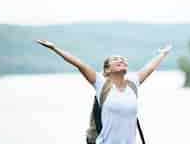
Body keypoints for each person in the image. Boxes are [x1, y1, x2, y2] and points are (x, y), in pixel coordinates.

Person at [36, 39, 172, 144]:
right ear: (107, 70)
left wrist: (163, 53)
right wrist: (55, 48)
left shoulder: (133, 83)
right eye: (115, 59)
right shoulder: (101, 83)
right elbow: (78, 63)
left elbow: (150, 67)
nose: (121, 60)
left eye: (123, 59)